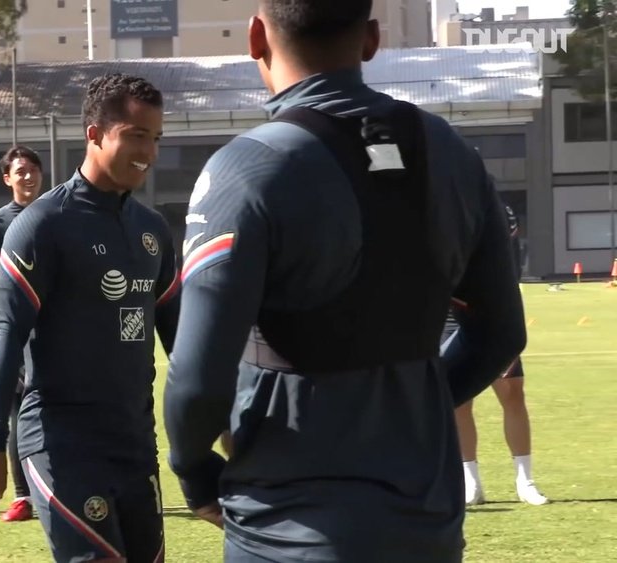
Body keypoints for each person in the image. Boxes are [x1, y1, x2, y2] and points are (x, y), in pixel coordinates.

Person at [161, 2, 527, 562]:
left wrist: (191, 468)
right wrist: (419, 407)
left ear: (256, 36)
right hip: (425, 523)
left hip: (288, 528)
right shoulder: (455, 154)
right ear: (372, 40)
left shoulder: (247, 168)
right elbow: (500, 334)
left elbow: (197, 375)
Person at [0, 72, 180, 563]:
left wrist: (219, 420)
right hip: (62, 445)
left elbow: (180, 342)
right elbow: (5, 337)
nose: (148, 150)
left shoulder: (152, 231)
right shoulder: (41, 226)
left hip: (134, 443)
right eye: (136, 135)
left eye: (156, 138)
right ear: (95, 134)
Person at [447, 203, 548, 506]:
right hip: (445, 310)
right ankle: (470, 481)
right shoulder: (432, 200)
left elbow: (504, 262)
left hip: (491, 310)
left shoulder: (497, 208)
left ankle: (525, 480)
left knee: (512, 392)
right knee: (458, 400)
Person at [0, 145, 45, 522]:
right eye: (20, 171)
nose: (28, 176)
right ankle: (23, 497)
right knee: (17, 414)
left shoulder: (57, 217)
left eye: (33, 169)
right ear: (7, 179)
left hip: (53, 337)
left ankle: (56, 486)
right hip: (12, 338)